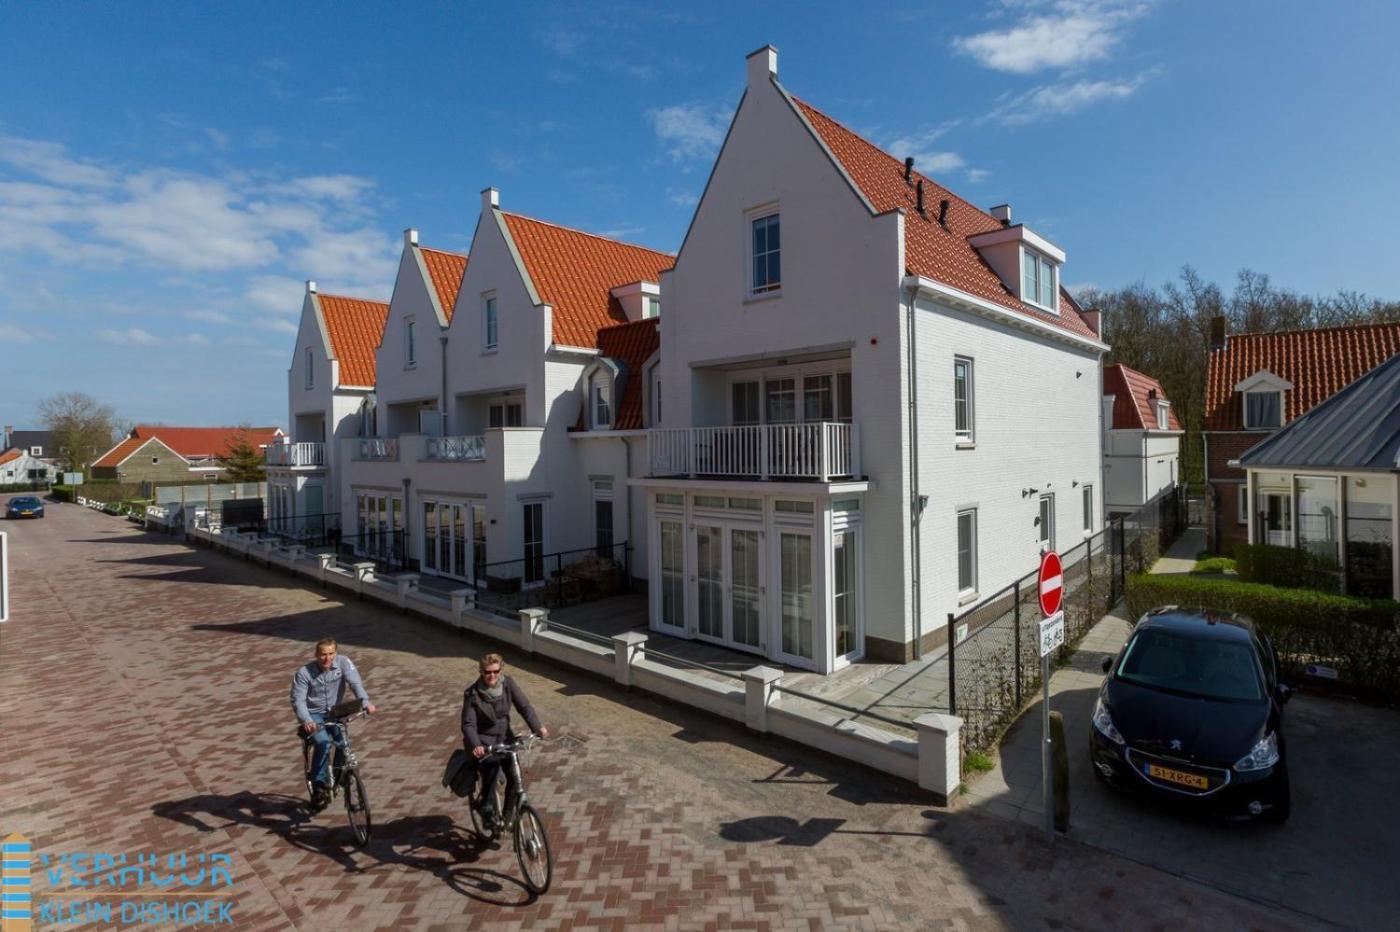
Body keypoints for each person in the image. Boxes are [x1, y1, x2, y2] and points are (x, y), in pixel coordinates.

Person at [461, 653, 547, 829]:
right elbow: (468, 724)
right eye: (488, 672)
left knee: (515, 777)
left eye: (496, 671)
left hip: (505, 739)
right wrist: (476, 745)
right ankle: (486, 807)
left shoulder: (508, 684)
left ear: (500, 671)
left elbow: (524, 707)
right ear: (481, 672)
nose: (492, 676)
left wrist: (537, 727)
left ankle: (508, 817)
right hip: (484, 742)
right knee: (491, 769)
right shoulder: (472, 694)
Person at [290, 637, 377, 810]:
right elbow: (298, 700)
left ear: (336, 653)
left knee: (344, 744)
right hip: (314, 715)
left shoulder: (344, 663)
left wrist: (366, 703)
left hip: (335, 712)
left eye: (331, 654)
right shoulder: (304, 673)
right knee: (323, 743)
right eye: (323, 654)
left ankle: (339, 774)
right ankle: (319, 786)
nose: (327, 658)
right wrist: (307, 720)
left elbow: (355, 684)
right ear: (316, 654)